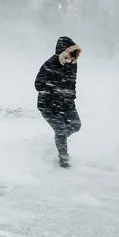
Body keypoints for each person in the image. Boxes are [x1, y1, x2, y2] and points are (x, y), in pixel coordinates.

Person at [35, 36, 82, 168]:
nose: (72, 57)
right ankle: (63, 159)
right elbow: (38, 84)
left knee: (76, 125)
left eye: (74, 54)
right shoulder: (50, 64)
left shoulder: (73, 65)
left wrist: (70, 99)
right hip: (47, 105)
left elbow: (72, 85)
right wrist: (54, 89)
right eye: (69, 53)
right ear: (62, 52)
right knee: (61, 130)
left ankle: (60, 140)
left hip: (66, 104)